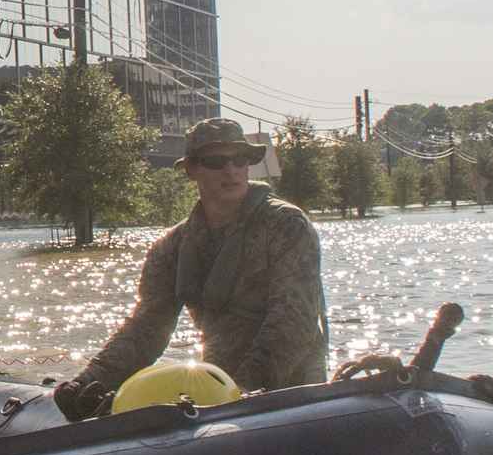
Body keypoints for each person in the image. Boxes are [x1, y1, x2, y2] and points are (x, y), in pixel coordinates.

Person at [54, 116, 331, 415]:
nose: (232, 170)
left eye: (241, 159)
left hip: (291, 392)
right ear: (191, 170)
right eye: (216, 161)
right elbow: (146, 329)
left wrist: (241, 391)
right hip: (216, 388)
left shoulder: (287, 225)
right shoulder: (172, 247)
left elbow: (294, 321)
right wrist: (87, 382)